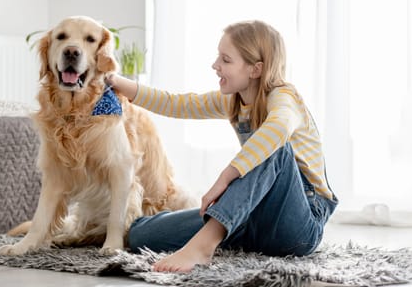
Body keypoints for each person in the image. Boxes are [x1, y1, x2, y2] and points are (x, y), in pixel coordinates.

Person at [105, 20, 338, 273]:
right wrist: (115, 81)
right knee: (141, 233)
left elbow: (278, 130)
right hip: (252, 219)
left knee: (276, 149)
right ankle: (218, 230)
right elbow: (177, 104)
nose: (215, 65)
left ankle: (204, 246)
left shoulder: (284, 98)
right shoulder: (234, 100)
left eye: (226, 60)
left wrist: (225, 178)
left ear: (255, 69)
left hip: (299, 226)